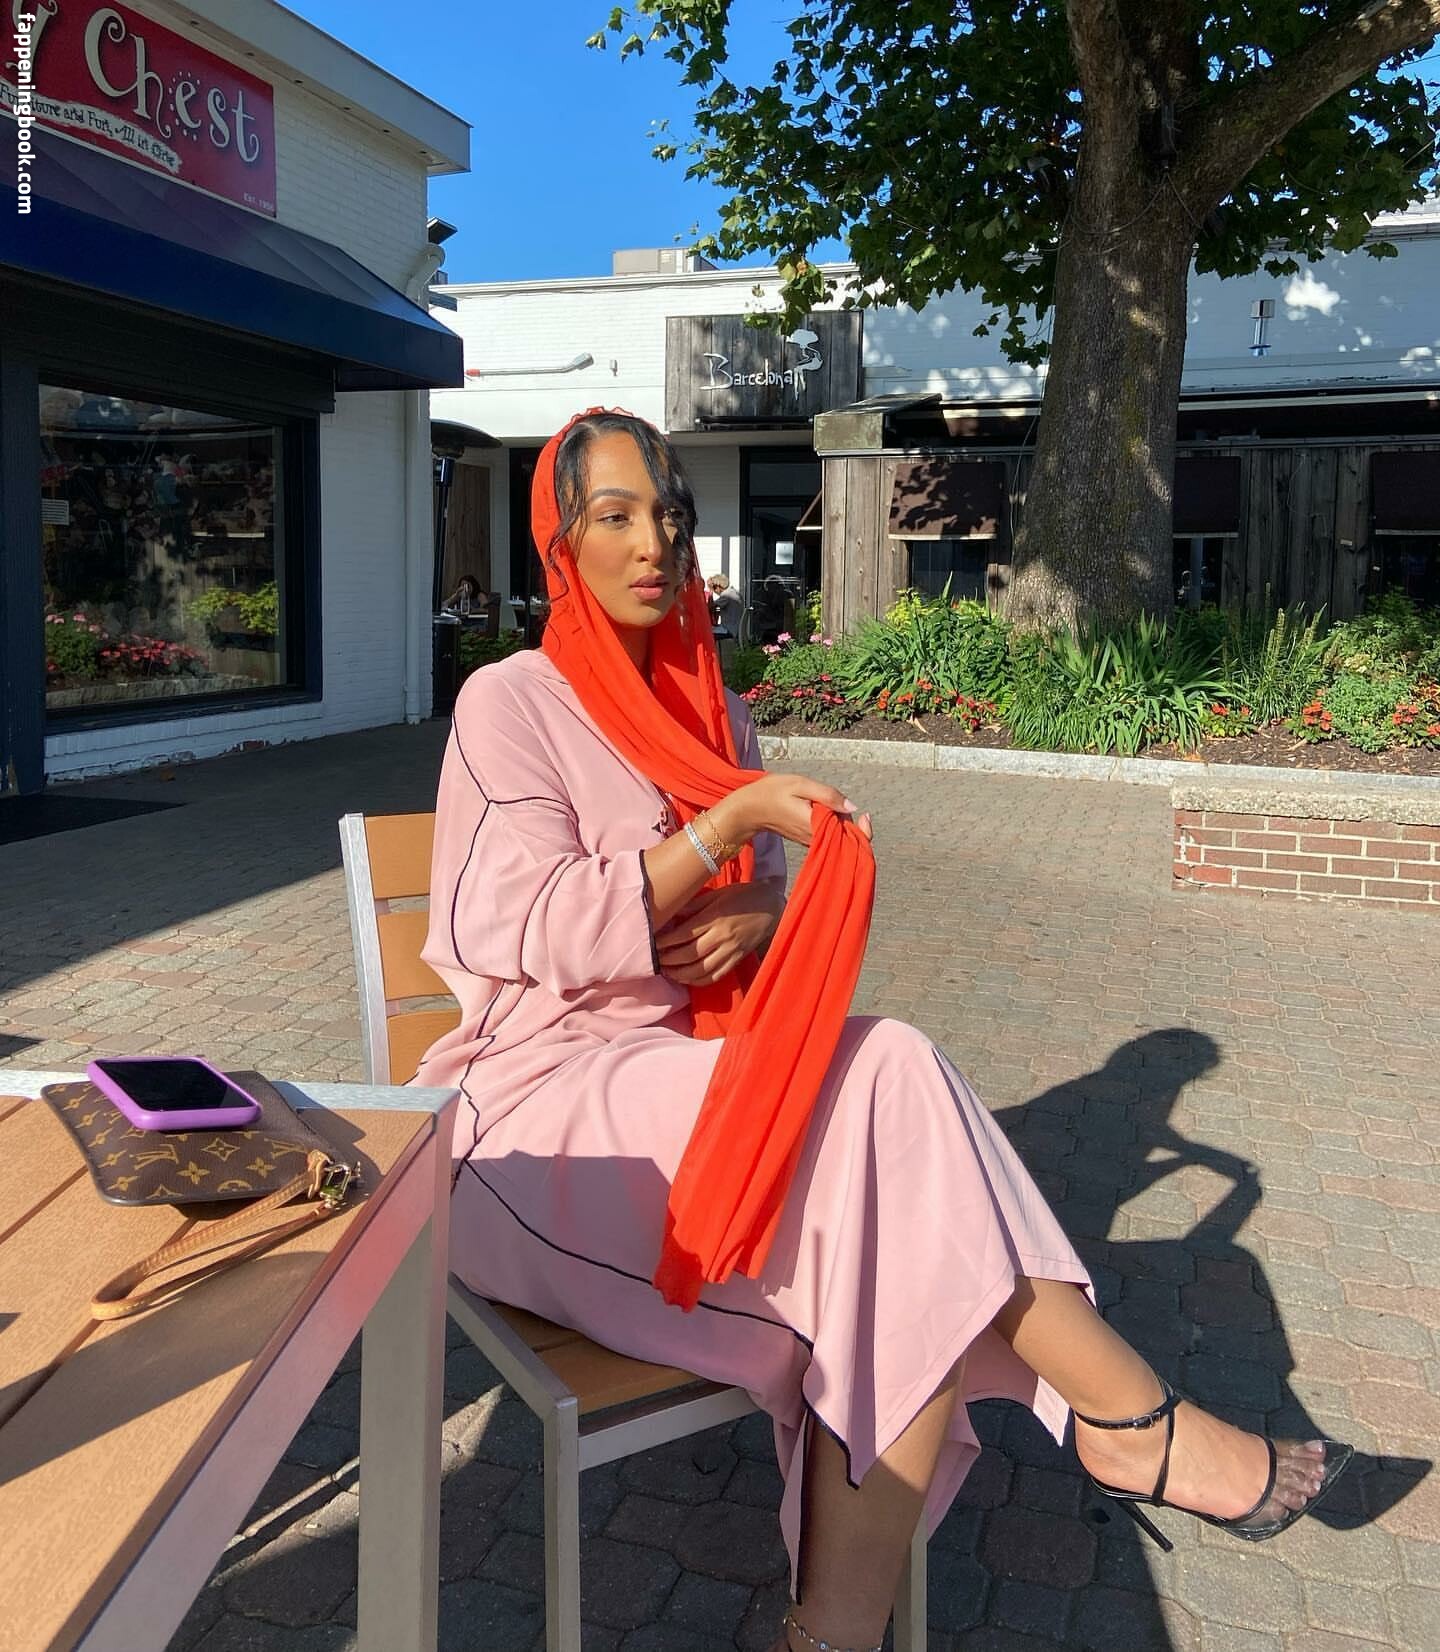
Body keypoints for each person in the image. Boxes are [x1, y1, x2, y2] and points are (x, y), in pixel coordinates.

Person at [415, 410, 1350, 1652]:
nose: (654, 544)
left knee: (896, 1160)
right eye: (615, 516)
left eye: (671, 516)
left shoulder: (714, 710)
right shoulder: (511, 700)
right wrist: (722, 827)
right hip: (539, 1109)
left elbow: (758, 893)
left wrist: (758, 908)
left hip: (687, 1073)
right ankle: (1130, 1422)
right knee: (900, 1173)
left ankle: (841, 1624)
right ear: (560, 541)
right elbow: (522, 920)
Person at [707, 571, 743, 637]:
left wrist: (710, 591)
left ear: (718, 587)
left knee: (705, 632)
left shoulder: (726, 595)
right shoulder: (733, 591)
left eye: (714, 588)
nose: (714, 591)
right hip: (734, 628)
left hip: (728, 629)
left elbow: (710, 607)